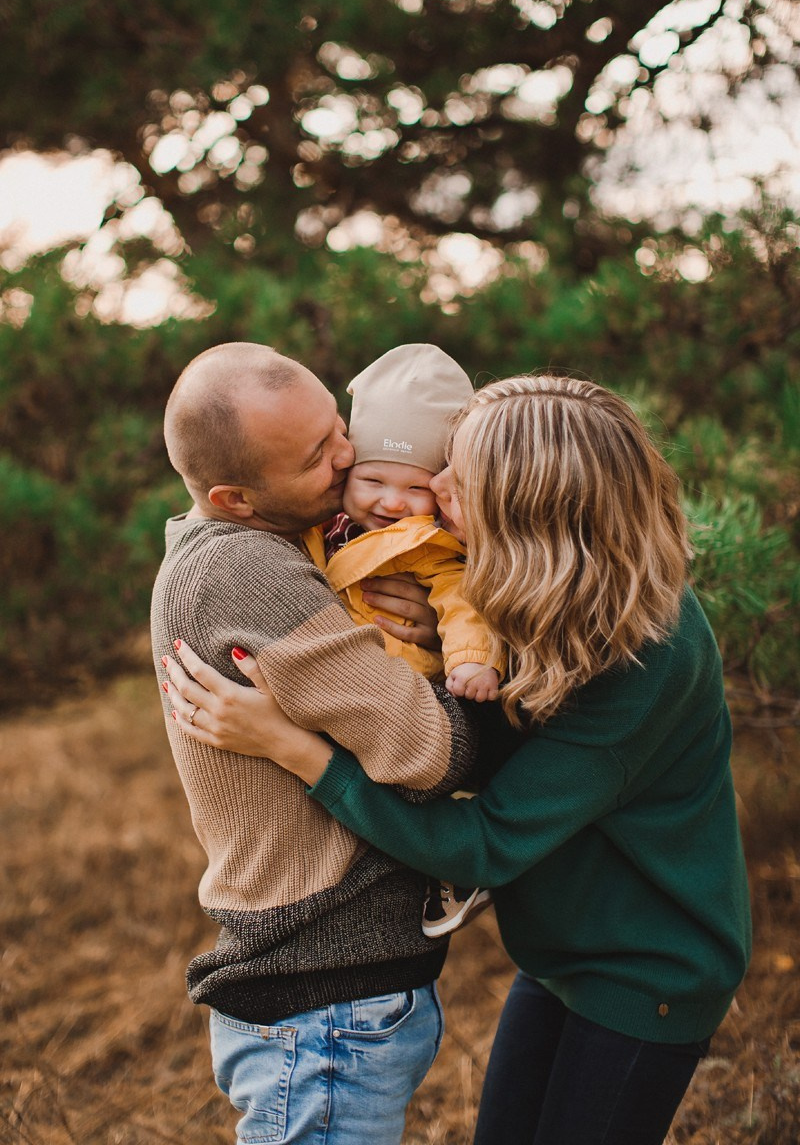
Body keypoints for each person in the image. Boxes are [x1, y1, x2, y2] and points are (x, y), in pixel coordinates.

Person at [164, 374, 752, 1145]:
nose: (429, 486)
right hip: (557, 952)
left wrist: (298, 751)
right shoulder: (539, 587)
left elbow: (483, 844)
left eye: (459, 480)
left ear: (529, 511)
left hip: (649, 971)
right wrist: (442, 646)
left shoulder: (645, 653)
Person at [151, 340, 480, 1145]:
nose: (347, 457)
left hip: (326, 998)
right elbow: (432, 752)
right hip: (323, 1001)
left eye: (339, 425)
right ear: (234, 496)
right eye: (315, 455)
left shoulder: (277, 545)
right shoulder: (248, 574)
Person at [318, 341, 502, 706]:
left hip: (399, 678)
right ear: (348, 471)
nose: (393, 501)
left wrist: (474, 660)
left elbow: (462, 602)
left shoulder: (429, 544)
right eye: (372, 481)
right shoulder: (321, 522)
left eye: (416, 487)